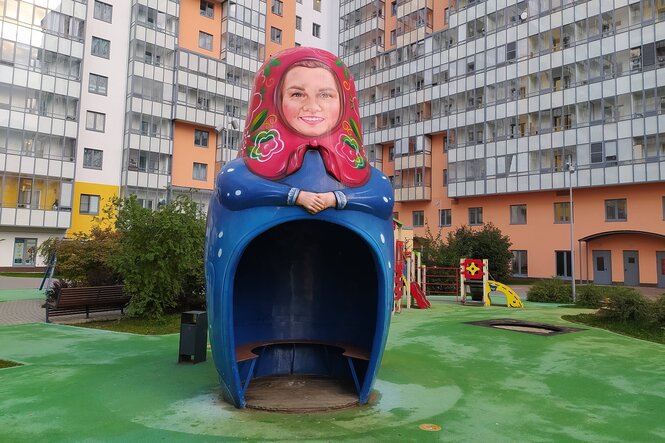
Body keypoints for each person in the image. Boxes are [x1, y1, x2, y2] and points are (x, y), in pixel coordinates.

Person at [215, 47, 393, 220]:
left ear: (344, 102)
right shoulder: (245, 170)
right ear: (275, 99)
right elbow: (231, 189)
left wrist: (334, 198)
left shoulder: (362, 174)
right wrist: (296, 196)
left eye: (325, 95)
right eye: (298, 95)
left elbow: (383, 196)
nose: (312, 107)